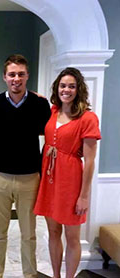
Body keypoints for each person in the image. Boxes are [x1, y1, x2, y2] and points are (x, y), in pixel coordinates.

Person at [0, 54, 51, 278]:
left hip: (30, 178)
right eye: (12, 74)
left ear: (27, 76)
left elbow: (49, 129)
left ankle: (30, 274)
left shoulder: (39, 103)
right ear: (4, 77)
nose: (16, 78)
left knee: (29, 234)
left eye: (20, 74)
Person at [34, 67, 101, 278]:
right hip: (49, 180)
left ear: (78, 89)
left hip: (71, 182)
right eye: (63, 85)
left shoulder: (88, 118)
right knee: (53, 232)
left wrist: (83, 196)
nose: (67, 90)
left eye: (71, 86)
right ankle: (56, 275)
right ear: (57, 88)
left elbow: (89, 162)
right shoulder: (53, 111)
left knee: (72, 237)